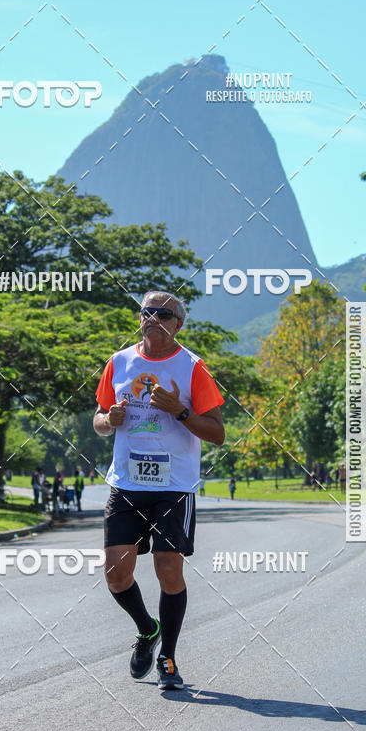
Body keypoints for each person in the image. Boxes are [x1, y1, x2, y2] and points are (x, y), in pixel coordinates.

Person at [93, 290, 225, 691]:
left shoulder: (192, 367)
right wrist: (109, 420)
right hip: (127, 483)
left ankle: (167, 657)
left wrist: (179, 411)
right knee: (116, 573)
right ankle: (146, 629)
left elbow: (217, 433)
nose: (152, 318)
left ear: (178, 324)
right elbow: (98, 419)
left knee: (168, 568)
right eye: (146, 312)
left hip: (174, 486)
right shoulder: (119, 362)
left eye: (162, 314)